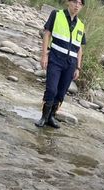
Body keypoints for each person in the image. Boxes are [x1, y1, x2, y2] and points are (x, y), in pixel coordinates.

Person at [36, 0, 86, 128]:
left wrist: (78, 67)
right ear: (68, 2)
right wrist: (44, 55)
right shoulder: (56, 14)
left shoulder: (81, 25)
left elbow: (79, 48)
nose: (76, 5)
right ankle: (44, 117)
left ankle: (51, 116)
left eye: (80, 3)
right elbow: (47, 34)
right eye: (74, 1)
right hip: (55, 59)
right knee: (51, 89)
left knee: (61, 92)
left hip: (70, 64)